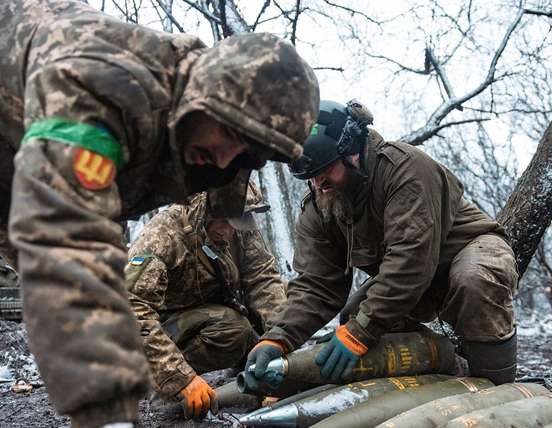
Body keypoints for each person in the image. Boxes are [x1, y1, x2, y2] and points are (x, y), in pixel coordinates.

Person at [0, 0, 318, 426]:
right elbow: (69, 244)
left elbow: (263, 280)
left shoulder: (198, 158)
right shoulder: (103, 86)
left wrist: (283, 351)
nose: (224, 160)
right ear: (204, 95)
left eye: (247, 152)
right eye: (229, 132)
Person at [245, 100, 519, 390]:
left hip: (469, 250)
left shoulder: (406, 169)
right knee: (355, 316)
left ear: (352, 152)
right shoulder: (320, 207)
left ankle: (497, 391)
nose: (318, 183)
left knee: (473, 279)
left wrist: (360, 333)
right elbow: (317, 285)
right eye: (310, 177)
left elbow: (409, 260)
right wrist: (277, 338)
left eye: (325, 170)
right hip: (414, 279)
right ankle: (446, 368)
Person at [126, 182, 286, 419]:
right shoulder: (163, 237)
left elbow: (263, 278)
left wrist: (279, 346)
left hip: (217, 308)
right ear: (204, 211)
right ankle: (160, 386)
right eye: (225, 222)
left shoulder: (239, 225)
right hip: (159, 329)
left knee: (287, 295)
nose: (230, 231)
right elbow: (132, 307)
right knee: (232, 327)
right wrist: (181, 378)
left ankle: (250, 367)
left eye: (236, 223)